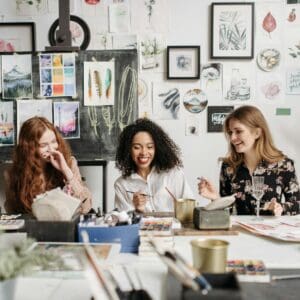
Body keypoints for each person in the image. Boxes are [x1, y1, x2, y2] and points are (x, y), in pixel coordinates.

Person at [198, 105, 300, 216]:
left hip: (269, 231)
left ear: (257, 133)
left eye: (238, 131)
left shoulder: (284, 165)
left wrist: (280, 208)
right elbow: (227, 213)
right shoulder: (228, 166)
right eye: (230, 132)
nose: (232, 138)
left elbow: (297, 204)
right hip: (239, 232)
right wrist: (216, 198)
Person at [4, 117, 92, 214]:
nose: (51, 149)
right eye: (43, 145)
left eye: (54, 142)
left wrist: (65, 170)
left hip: (63, 226)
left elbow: (86, 207)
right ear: (29, 148)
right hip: (34, 227)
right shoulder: (13, 173)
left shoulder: (69, 163)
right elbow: (13, 212)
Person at [114, 118, 194, 212]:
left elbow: (190, 210)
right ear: (128, 150)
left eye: (149, 147)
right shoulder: (121, 184)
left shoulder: (174, 174)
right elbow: (123, 222)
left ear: (157, 148)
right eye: (137, 147)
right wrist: (138, 210)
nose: (144, 152)